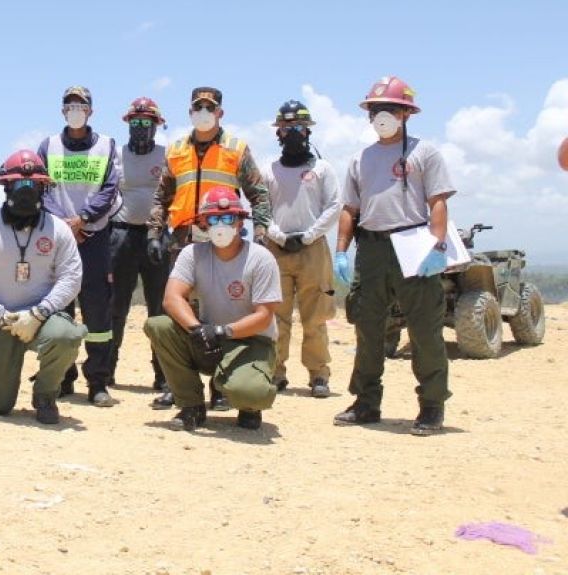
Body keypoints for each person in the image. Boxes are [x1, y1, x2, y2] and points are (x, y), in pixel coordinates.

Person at [333, 76, 455, 436]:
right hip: (371, 247)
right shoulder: (361, 158)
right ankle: (366, 402)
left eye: (388, 109)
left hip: (413, 244)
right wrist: (341, 251)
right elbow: (349, 208)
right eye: (375, 109)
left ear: (406, 113)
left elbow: (438, 202)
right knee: (368, 328)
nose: (380, 115)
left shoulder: (425, 153)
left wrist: (437, 245)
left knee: (424, 329)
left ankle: (432, 406)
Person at [146, 86, 272, 411]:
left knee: (225, 308)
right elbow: (162, 195)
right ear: (190, 111)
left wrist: (260, 232)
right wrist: (154, 233)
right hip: (184, 238)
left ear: (220, 113)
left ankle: (222, 385)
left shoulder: (236, 148)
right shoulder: (175, 150)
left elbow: (258, 192)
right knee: (178, 312)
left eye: (209, 107)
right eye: (197, 107)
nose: (203, 112)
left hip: (226, 237)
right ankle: (177, 385)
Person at [0, 150, 86, 424]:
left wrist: (39, 313)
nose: (27, 190)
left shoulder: (58, 230)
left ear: (43, 188)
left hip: (41, 318)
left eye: (33, 185)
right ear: (6, 186)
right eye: (19, 184)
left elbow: (71, 277)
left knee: (67, 335)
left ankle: (46, 395)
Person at [144, 187, 281, 430]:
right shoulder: (192, 254)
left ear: (240, 223)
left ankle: (248, 402)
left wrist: (221, 331)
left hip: (251, 343)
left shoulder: (261, 258)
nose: (221, 225)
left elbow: (263, 317)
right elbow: (172, 298)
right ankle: (191, 406)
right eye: (214, 218)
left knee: (250, 393)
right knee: (159, 325)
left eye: (228, 218)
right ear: (203, 223)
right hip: (208, 340)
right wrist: (198, 330)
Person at [37, 86, 121, 407]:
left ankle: (97, 382)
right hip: (58, 239)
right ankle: (62, 377)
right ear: (62, 111)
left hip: (95, 239)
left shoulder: (106, 146)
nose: (75, 109)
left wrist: (82, 220)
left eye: (81, 105)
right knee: (60, 308)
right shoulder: (49, 146)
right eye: (69, 105)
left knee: (98, 312)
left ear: (91, 111)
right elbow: (42, 190)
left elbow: (109, 189)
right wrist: (65, 224)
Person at [262, 100, 341, 398]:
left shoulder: (322, 169)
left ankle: (319, 375)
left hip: (313, 250)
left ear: (308, 131)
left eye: (298, 127)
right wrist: (279, 235)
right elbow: (262, 208)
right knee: (274, 316)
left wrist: (308, 235)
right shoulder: (269, 170)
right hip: (276, 249)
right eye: (286, 128)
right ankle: (275, 372)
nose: (292, 133)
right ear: (277, 133)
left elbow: (334, 206)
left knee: (316, 316)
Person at [110, 97, 170, 392]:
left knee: (159, 309)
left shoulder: (167, 156)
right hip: (121, 236)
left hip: (157, 238)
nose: (141, 128)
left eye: (147, 123)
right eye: (136, 123)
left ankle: (162, 374)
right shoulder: (116, 154)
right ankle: (106, 370)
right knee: (115, 306)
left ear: (157, 126)